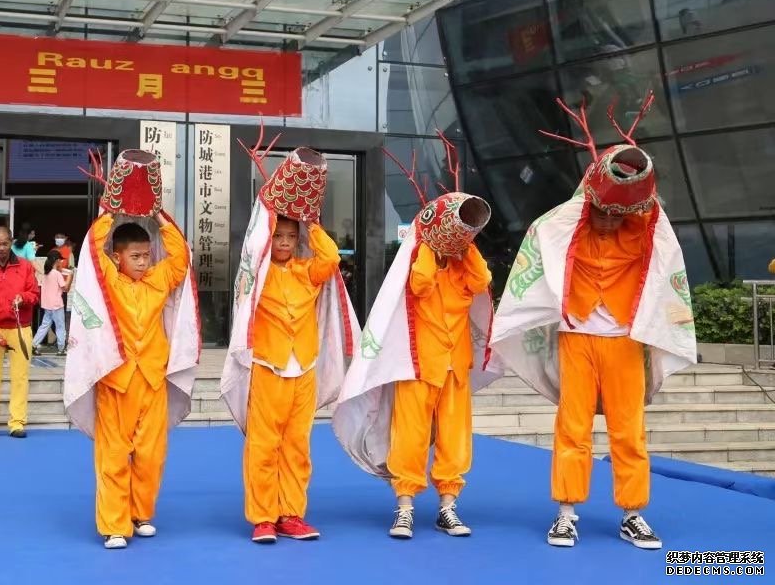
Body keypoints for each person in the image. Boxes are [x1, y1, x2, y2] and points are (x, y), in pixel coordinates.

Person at [488, 94, 697, 550]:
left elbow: (649, 208)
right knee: (573, 426)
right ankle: (566, 512)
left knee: (628, 429)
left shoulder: (641, 231)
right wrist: (597, 181)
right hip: (577, 338)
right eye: (600, 210)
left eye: (614, 212)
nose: (606, 220)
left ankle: (633, 513)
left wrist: (630, 173)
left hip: (624, 339)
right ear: (590, 203)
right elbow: (549, 225)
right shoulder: (570, 226)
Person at [333, 137, 496, 540]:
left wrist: (466, 247)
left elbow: (484, 280)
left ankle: (448, 505)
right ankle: (404, 505)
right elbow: (421, 284)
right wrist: (427, 243)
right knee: (410, 435)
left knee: (455, 438)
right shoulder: (420, 268)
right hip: (418, 365)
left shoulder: (464, 270)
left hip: (455, 366)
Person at [63, 148, 199, 551]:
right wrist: (112, 208)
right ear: (117, 258)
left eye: (145, 255)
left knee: (151, 454)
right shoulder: (108, 280)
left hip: (152, 378)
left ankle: (140, 513)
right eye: (134, 256)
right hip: (116, 379)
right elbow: (92, 247)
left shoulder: (158, 280)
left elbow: (181, 257)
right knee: (113, 455)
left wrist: (157, 215)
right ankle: (114, 524)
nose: (142, 261)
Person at [221, 145, 357, 544]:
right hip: (268, 366)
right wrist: (268, 215)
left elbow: (330, 258)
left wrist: (310, 222)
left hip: (305, 368)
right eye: (278, 235)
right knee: (263, 446)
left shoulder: (306, 271)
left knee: (297, 447)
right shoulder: (259, 275)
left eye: (289, 236)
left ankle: (291, 514)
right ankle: (263, 517)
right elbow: (253, 250)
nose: (282, 241)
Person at [0, 225, 39, 439]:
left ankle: (17, 422)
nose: (1, 248)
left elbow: (34, 293)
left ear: (11, 242)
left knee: (20, 377)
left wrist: (24, 297)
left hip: (20, 328)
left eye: (5, 243)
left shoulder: (25, 266)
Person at [32, 250, 69, 356]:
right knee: (60, 326)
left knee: (44, 325)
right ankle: (61, 348)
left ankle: (34, 345)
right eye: (60, 260)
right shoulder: (57, 274)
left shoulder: (45, 273)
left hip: (47, 305)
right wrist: (70, 276)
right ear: (57, 261)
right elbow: (65, 287)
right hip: (57, 305)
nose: (61, 262)